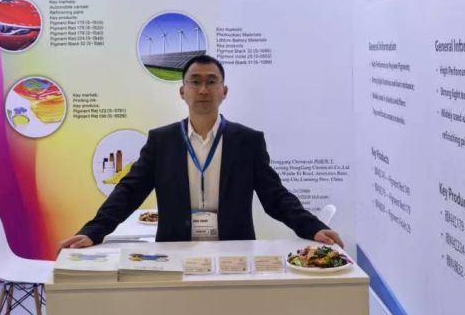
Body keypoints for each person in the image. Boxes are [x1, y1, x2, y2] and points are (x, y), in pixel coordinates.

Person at [59, 54, 343, 249]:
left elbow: (275, 196)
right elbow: (129, 192)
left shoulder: (248, 141)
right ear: (182, 92)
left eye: (211, 81)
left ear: (224, 91)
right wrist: (93, 231)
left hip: (234, 251)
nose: (203, 89)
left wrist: (312, 227)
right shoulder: (162, 141)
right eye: (194, 81)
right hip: (175, 253)